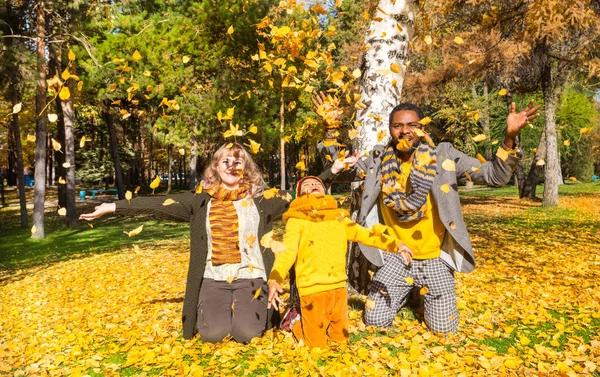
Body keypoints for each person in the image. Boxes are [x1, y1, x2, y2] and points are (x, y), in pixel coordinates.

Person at [315, 94, 540, 334]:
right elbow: (339, 168)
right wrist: (330, 129)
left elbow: (495, 175)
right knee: (375, 320)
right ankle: (407, 291)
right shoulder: (378, 159)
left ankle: (421, 292)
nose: (405, 131)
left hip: (435, 257)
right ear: (390, 130)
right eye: (398, 125)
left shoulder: (443, 155)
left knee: (443, 329)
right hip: (395, 254)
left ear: (422, 128)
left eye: (412, 125)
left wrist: (510, 138)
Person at [79, 142, 290, 343]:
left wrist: (325, 138)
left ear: (247, 167)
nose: (231, 167)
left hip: (251, 278)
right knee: (213, 335)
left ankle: (245, 315)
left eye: (237, 162)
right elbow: (157, 204)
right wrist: (112, 207)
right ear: (216, 166)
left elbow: (308, 190)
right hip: (213, 277)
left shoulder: (263, 199)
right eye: (225, 161)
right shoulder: (200, 199)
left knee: (247, 334)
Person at [266, 176, 413, 348]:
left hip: (339, 288)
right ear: (299, 196)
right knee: (315, 346)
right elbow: (287, 252)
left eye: (317, 183)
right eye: (307, 185)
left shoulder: (339, 218)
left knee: (340, 341)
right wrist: (275, 278)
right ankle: (294, 322)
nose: (313, 184)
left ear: (325, 191)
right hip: (312, 290)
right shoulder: (297, 221)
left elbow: (365, 235)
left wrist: (397, 245)